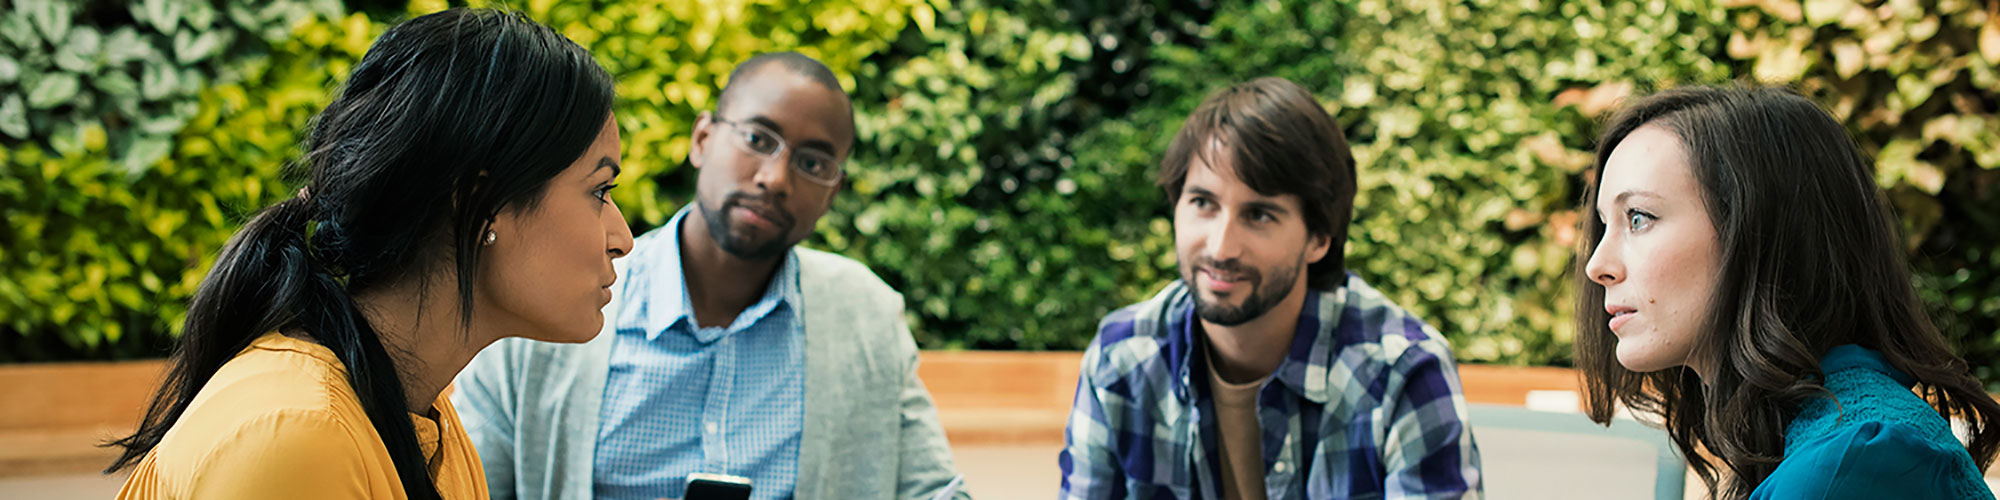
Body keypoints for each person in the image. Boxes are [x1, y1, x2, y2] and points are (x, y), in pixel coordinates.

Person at [105, 8, 630, 499]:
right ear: (479, 201)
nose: (622, 237)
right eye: (599, 191)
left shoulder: (418, 412)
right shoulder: (302, 434)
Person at [451, 51, 968, 500]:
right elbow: (465, 488)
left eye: (814, 163)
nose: (775, 178)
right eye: (758, 139)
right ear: (701, 138)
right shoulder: (552, 305)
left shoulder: (866, 315)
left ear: (833, 192)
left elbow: (932, 490)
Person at [1058, 76, 1483, 499]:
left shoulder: (1400, 371)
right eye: (1203, 203)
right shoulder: (1122, 360)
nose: (1221, 247)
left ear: (1318, 237)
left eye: (1259, 215)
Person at [1575, 85, 2000, 499]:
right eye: (1604, 224)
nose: (1598, 266)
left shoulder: (1855, 456)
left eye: (1639, 218)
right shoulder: (1809, 435)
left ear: (1760, 233)